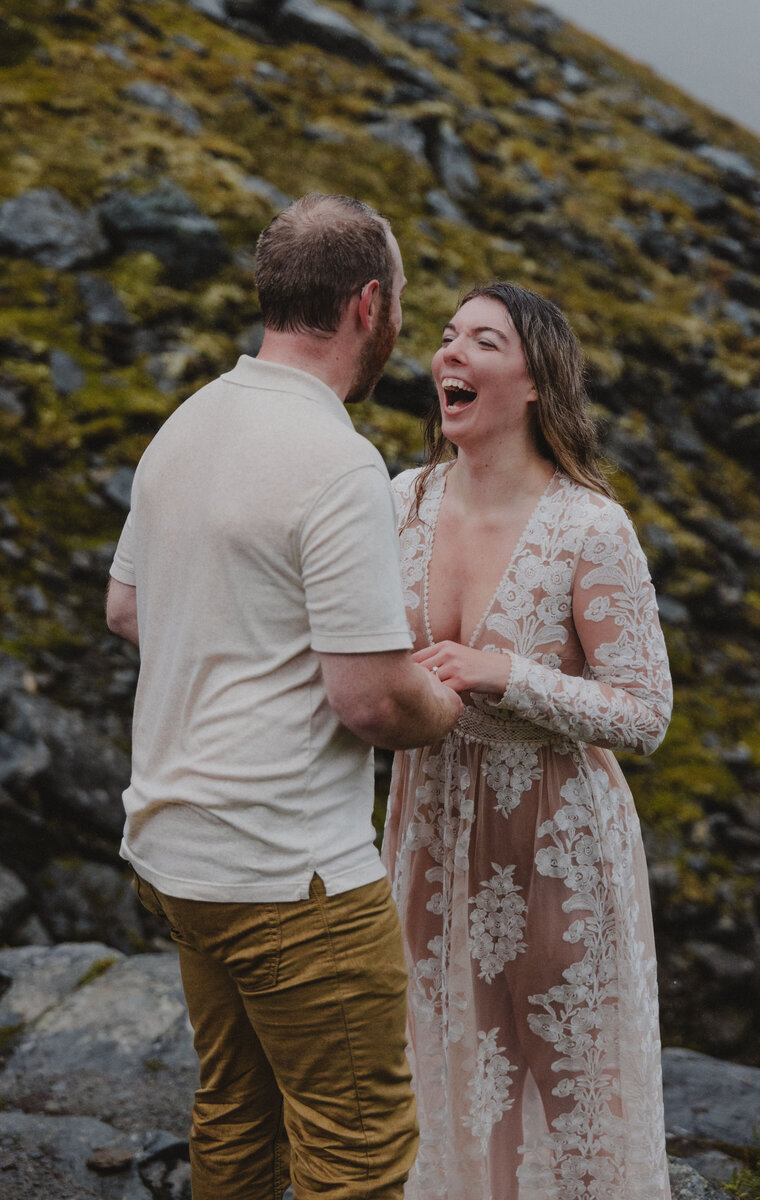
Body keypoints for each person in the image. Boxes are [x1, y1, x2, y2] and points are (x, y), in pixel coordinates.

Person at [105, 193, 463, 1200]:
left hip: (177, 855)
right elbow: (369, 704)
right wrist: (441, 700)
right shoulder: (338, 460)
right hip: (289, 876)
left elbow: (127, 609)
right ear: (368, 305)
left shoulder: (190, 421)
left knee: (236, 1118)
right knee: (355, 1153)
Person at [381, 282, 673, 1200]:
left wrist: (508, 674)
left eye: (483, 341)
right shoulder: (402, 500)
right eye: (445, 338)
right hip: (428, 827)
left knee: (572, 1092)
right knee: (446, 1078)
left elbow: (646, 712)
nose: (450, 356)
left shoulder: (591, 525)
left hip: (557, 840)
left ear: (537, 379)